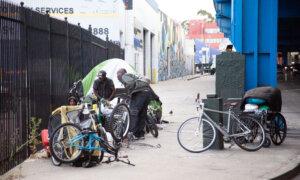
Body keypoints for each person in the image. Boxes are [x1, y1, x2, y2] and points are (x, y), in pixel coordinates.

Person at [117, 68, 159, 140]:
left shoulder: (125, 77)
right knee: (142, 114)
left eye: (118, 74)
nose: (117, 76)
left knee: (133, 113)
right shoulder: (135, 77)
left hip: (139, 94)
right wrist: (156, 98)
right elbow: (147, 87)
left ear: (123, 73)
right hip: (146, 94)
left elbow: (130, 87)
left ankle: (131, 133)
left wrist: (129, 95)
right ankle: (140, 134)